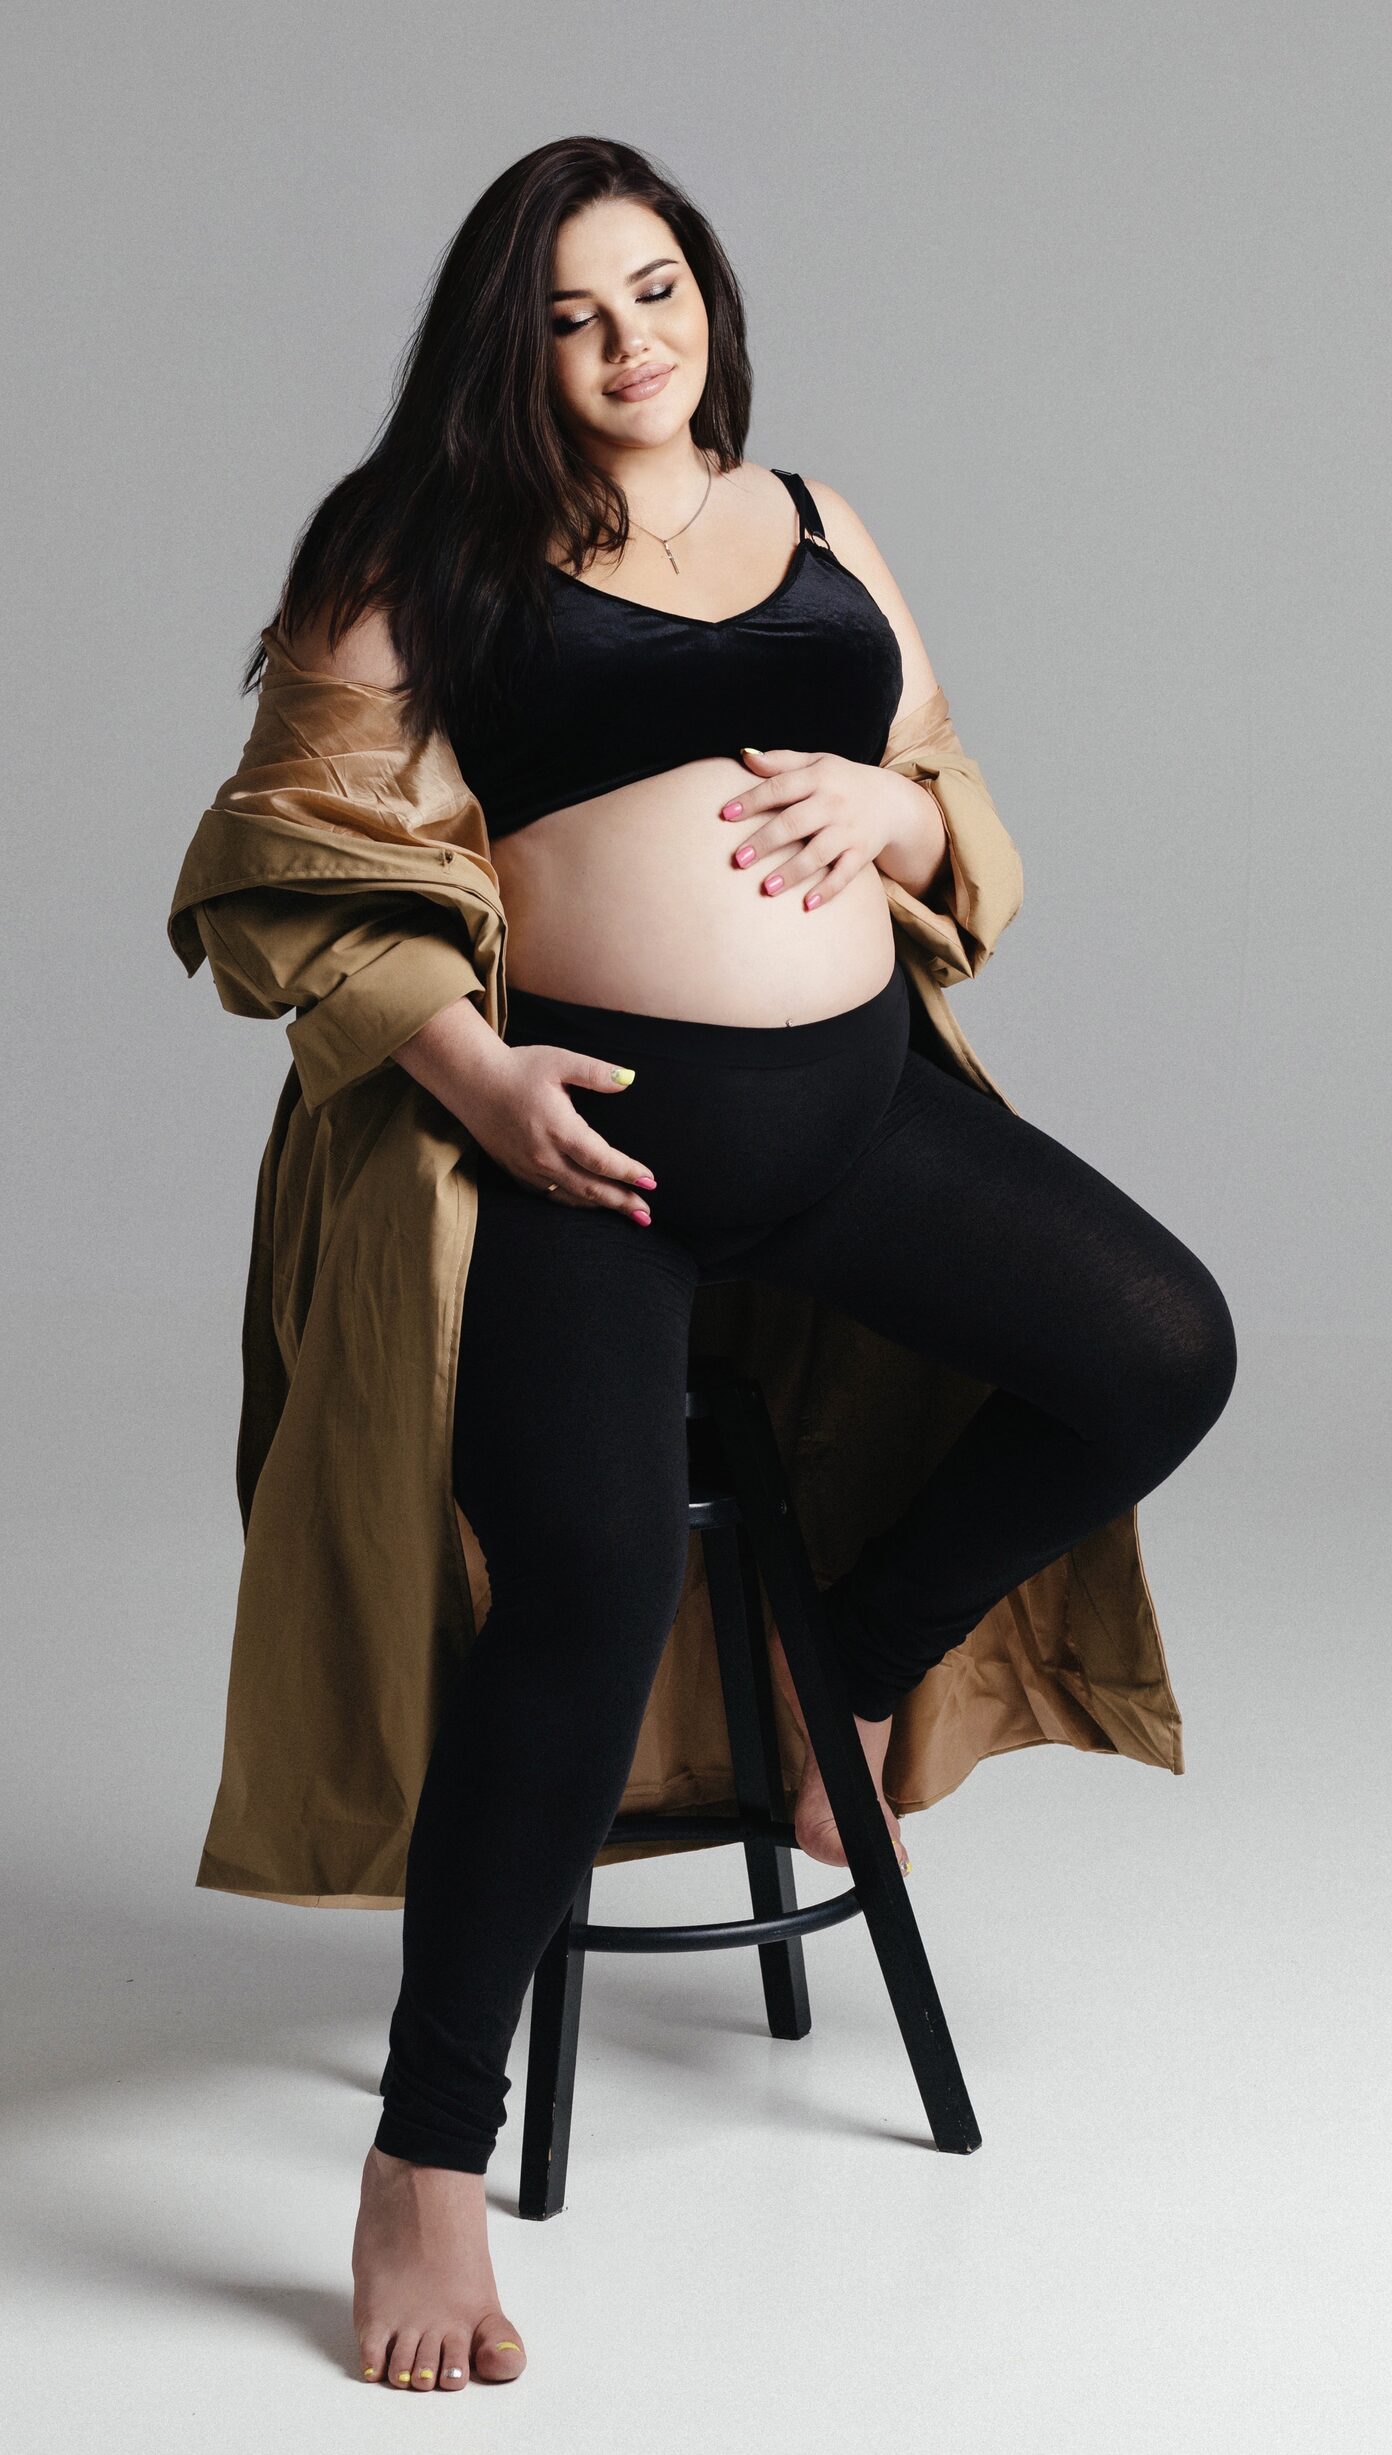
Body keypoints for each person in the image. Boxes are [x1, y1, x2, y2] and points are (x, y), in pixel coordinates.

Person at [208, 137, 1236, 2392]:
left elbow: (939, 776)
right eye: (573, 315)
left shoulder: (816, 517)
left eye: (656, 290)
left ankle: (841, 1673)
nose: (628, 345)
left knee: (1160, 1348)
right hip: (586, 1158)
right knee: (579, 1594)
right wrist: (476, 1079)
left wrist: (900, 812)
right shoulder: (417, 555)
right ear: (508, 345)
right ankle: (425, 2160)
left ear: (708, 295)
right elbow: (287, 862)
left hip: (860, 1125)